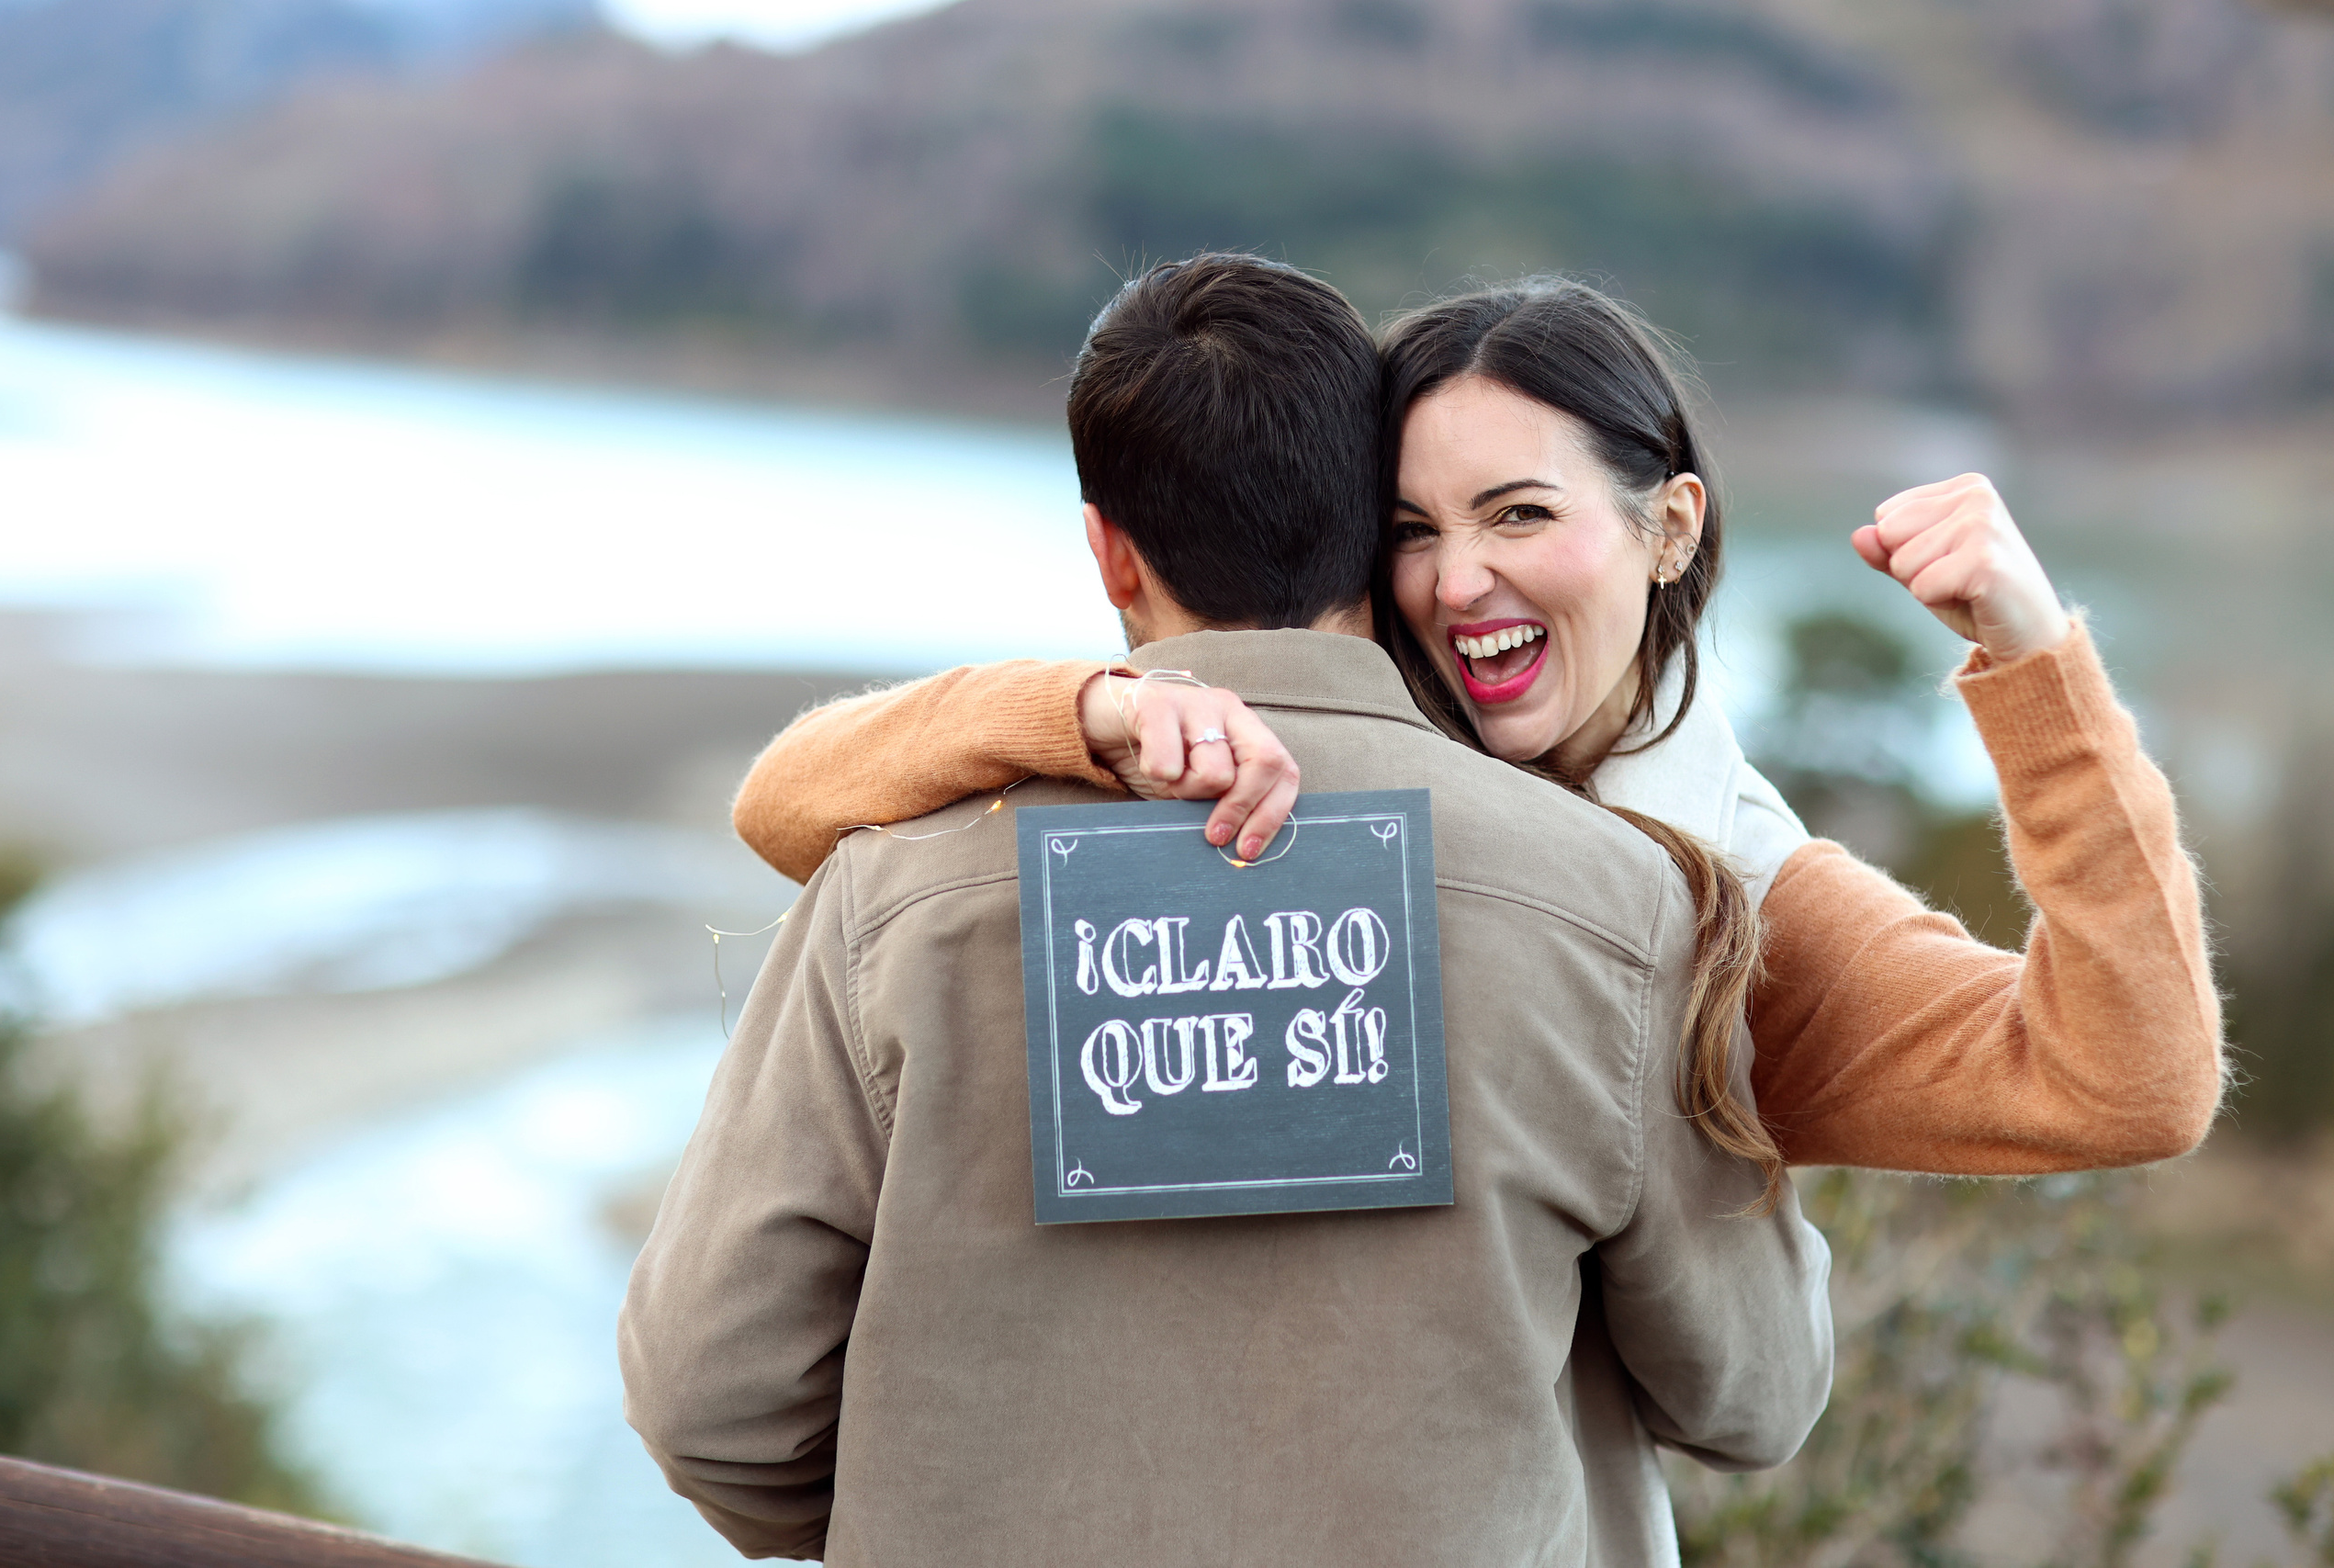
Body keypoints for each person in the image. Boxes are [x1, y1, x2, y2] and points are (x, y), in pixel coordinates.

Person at [727, 269, 2225, 1561]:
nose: (1458, 580)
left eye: (1519, 513)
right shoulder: (1234, 766)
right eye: (1410, 527)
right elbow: (793, 799)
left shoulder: (1727, 893)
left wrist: (2034, 663)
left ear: (1671, 526)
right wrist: (1075, 705)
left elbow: (2124, 1080)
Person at [620, 254, 1833, 1565]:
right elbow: (1754, 1396)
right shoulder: (1629, 907)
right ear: (1370, 523)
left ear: (1109, 550)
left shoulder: (891, 890)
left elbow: (707, 1393)